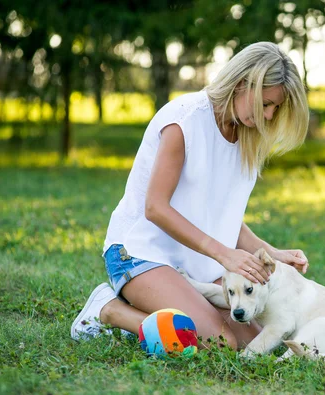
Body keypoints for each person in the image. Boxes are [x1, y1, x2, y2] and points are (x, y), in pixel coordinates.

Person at [70, 42, 310, 351]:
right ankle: (110, 310)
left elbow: (221, 217)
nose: (269, 114)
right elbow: (155, 208)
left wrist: (271, 253)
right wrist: (224, 255)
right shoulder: (185, 120)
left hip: (194, 265)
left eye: (275, 108)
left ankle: (169, 312)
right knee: (220, 343)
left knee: (254, 340)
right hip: (140, 254)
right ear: (241, 83)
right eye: (265, 103)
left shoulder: (246, 136)